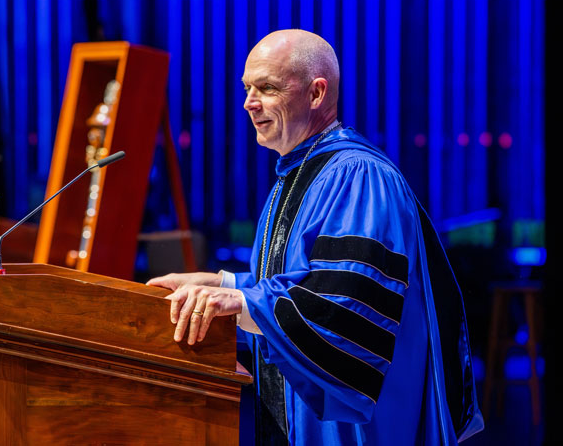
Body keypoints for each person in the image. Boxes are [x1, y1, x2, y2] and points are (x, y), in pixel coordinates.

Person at [147, 29, 483, 445]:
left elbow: (345, 307)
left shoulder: (358, 175)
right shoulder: (299, 173)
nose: (250, 102)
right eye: (247, 88)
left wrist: (242, 304)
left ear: (317, 93)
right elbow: (304, 285)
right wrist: (224, 285)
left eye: (267, 88)